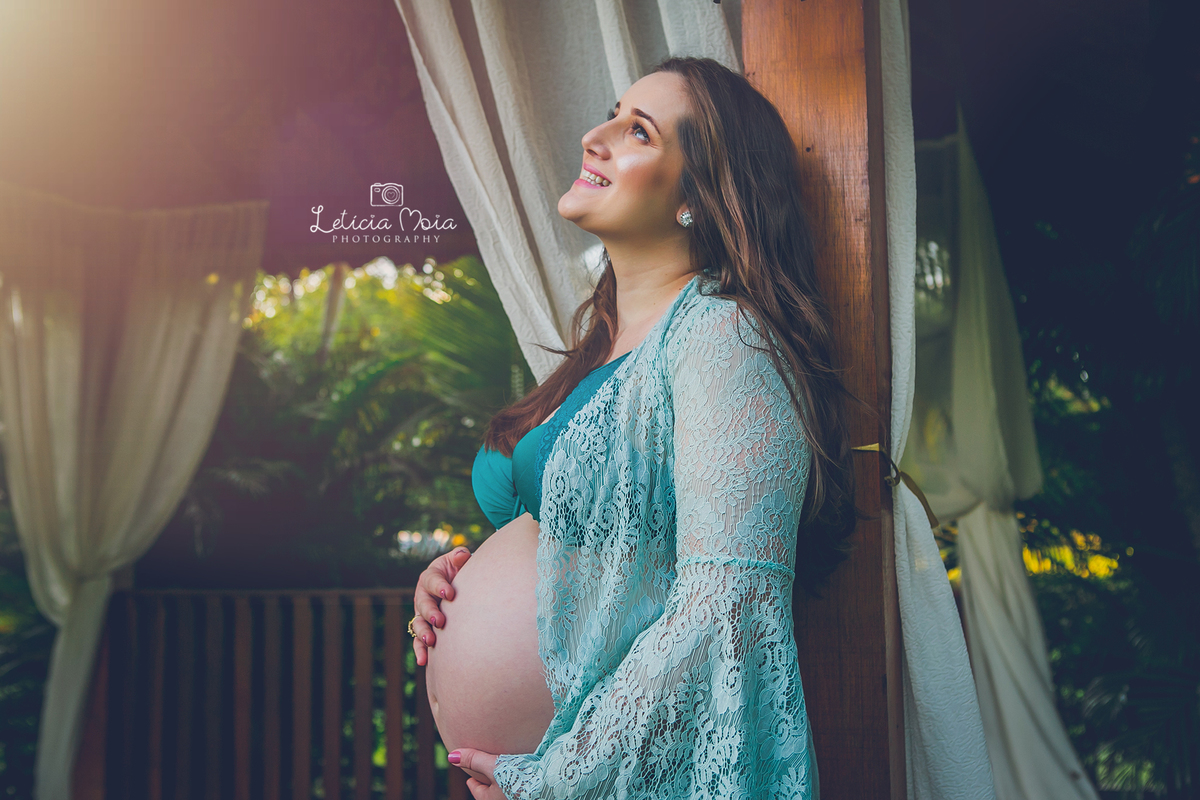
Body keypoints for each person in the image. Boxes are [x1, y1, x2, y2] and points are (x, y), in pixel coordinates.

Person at [410, 55, 858, 800]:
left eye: (639, 131)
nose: (596, 136)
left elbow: (727, 608)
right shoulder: (599, 352)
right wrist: (453, 585)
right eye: (612, 114)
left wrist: (556, 777)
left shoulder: (724, 337)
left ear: (698, 199)